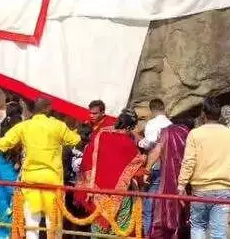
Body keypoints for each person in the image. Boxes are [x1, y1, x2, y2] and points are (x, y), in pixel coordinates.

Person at [0, 98, 80, 239]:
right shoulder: (58, 126)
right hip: (52, 181)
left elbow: (4, 143)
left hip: (31, 181)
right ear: (47, 109)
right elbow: (75, 140)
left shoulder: (24, 126)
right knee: (53, 225)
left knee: (32, 225)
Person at [177, 99, 230, 239]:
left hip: (200, 190)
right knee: (219, 233)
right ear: (219, 115)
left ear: (203, 114)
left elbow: (189, 161)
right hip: (224, 190)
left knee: (198, 227)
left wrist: (181, 184)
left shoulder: (195, 134)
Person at [75, 109, 146, 236]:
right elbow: (137, 171)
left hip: (96, 193)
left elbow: (87, 160)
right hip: (120, 196)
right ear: (129, 127)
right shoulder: (128, 144)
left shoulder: (100, 135)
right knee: (119, 228)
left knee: (98, 227)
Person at [148, 117, 192, 238]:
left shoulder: (167, 132)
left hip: (168, 180)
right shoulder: (190, 134)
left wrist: (147, 170)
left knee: (165, 209)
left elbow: (157, 151)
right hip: (187, 181)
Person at [0, 101, 23, 239]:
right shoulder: (22, 128)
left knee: (0, 207)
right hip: (14, 177)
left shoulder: (2, 128)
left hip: (0, 167)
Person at [139, 98, 172, 235]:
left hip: (156, 166)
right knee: (163, 204)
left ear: (152, 110)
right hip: (169, 167)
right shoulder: (171, 124)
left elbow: (151, 143)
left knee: (149, 205)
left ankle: (148, 234)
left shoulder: (152, 124)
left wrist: (140, 143)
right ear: (163, 108)